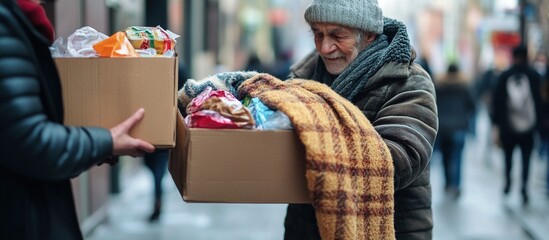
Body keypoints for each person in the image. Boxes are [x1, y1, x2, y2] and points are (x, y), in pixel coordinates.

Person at [0, 0, 155, 239]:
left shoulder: (21, 22)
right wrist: (105, 141)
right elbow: (31, 143)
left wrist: (97, 147)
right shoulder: (7, 23)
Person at [284, 0, 438, 239]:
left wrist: (315, 152)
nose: (325, 48)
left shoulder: (408, 82)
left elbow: (401, 159)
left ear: (367, 34)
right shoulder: (301, 81)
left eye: (337, 35)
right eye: (318, 34)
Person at [492, 44, 543, 205]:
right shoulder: (534, 76)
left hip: (508, 127)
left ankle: (507, 183)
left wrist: (497, 123)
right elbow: (540, 102)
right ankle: (524, 188)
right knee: (526, 158)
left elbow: (497, 101)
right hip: (529, 126)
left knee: (508, 157)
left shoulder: (505, 75)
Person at [434, 63, 475, 199]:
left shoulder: (440, 86)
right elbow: (472, 105)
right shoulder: (464, 86)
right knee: (457, 157)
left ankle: (447, 183)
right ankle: (455, 185)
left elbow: (434, 104)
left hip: (444, 127)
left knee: (445, 157)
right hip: (459, 126)